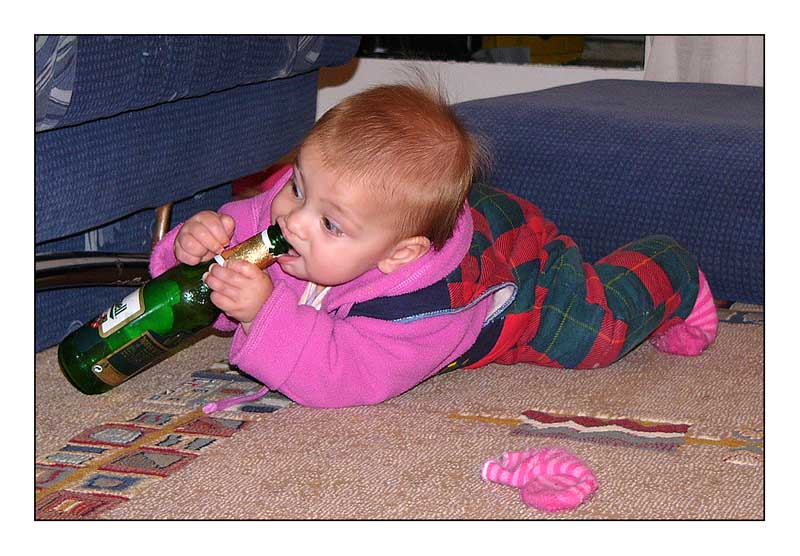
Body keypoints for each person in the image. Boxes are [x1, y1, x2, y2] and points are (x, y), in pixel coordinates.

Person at [149, 83, 718, 408]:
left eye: (330, 224)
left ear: (398, 254)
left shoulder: (426, 305)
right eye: (298, 186)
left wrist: (265, 313)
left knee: (594, 336)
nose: (292, 221)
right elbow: (195, 281)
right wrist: (188, 249)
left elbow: (349, 375)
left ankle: (675, 270)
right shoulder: (301, 211)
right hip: (435, 222)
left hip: (523, 285)